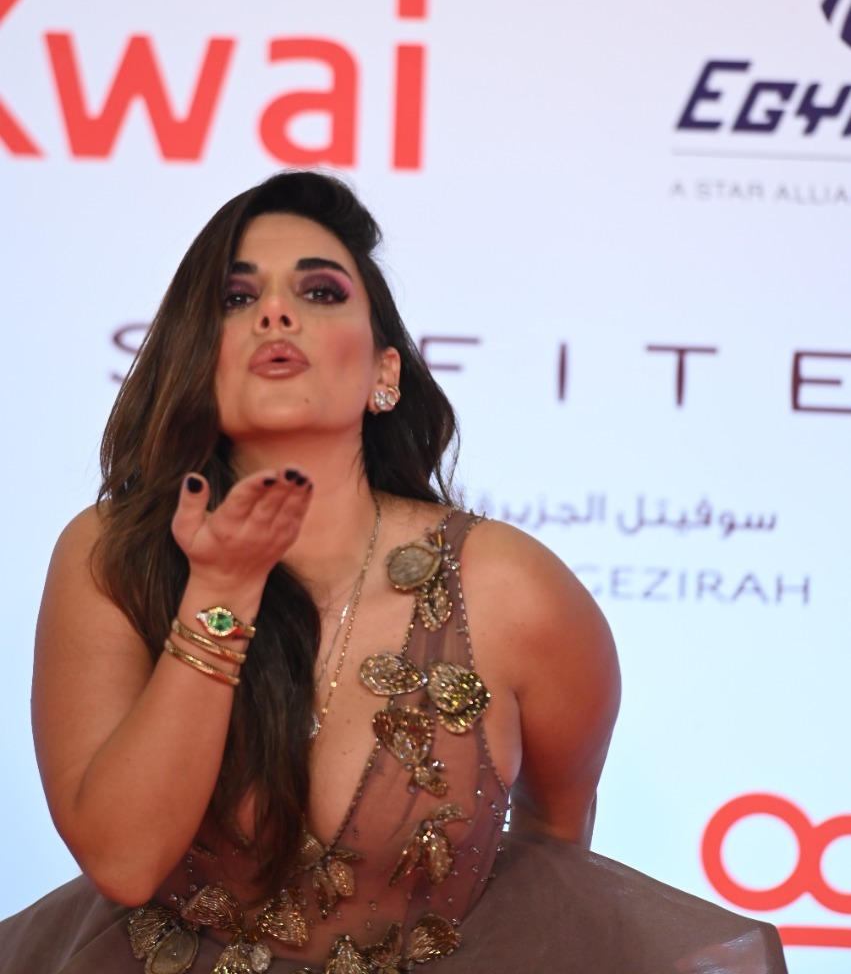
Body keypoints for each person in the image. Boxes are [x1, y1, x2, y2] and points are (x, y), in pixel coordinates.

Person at [0, 172, 786, 974]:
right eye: (237, 298)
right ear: (197, 359)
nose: (276, 313)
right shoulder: (113, 554)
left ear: (384, 372)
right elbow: (124, 861)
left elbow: (554, 851)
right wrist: (220, 594)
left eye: (319, 291)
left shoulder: (509, 590)